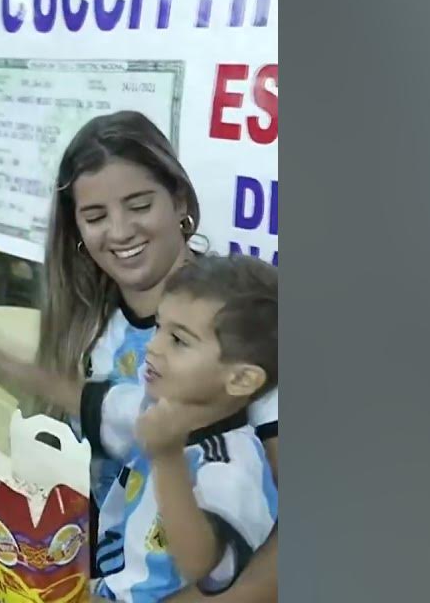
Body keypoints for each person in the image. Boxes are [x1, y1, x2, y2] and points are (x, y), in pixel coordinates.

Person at [0, 111, 280, 602]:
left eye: (139, 204)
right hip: (95, 560)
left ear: (179, 200)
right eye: (95, 217)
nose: (121, 230)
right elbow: (97, 464)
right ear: (78, 231)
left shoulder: (239, 324)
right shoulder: (93, 324)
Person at [88, 253, 278, 600]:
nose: (153, 346)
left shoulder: (233, 465)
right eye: (159, 327)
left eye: (179, 340)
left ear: (241, 379)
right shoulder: (158, 414)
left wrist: (167, 458)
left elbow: (202, 566)